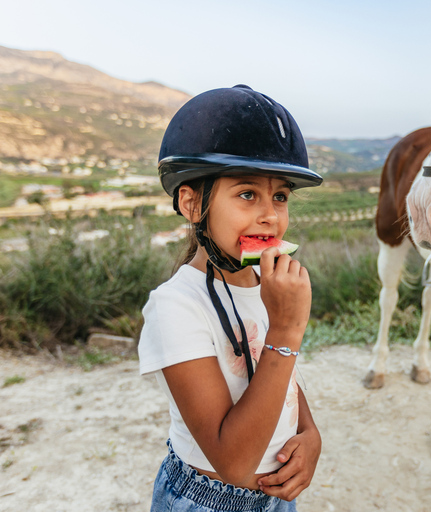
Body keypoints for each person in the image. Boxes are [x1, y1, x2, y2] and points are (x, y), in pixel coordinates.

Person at [138, 84, 323, 512]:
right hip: (207, 501)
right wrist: (288, 329)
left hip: (276, 500)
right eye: (247, 194)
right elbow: (234, 463)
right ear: (191, 203)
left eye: (280, 196)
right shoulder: (175, 307)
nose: (271, 215)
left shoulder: (265, 283)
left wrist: (310, 433)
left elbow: (277, 371)